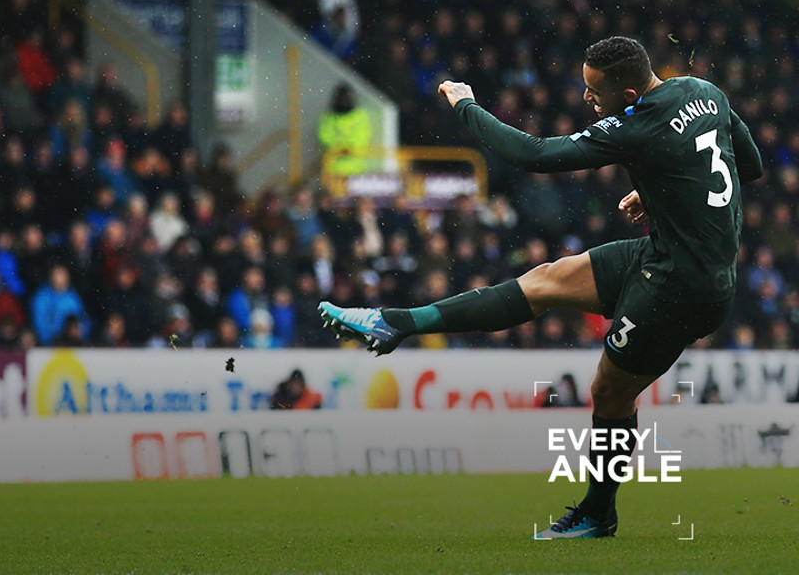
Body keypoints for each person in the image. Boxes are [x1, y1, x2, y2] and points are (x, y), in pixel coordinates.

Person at [320, 37, 763, 539]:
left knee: (609, 393)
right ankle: (395, 323)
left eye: (596, 91)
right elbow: (748, 167)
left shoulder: (639, 126)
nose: (587, 98)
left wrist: (466, 105)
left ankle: (599, 514)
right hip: (668, 256)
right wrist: (664, 182)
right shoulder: (704, 91)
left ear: (631, 90)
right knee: (546, 279)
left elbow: (532, 155)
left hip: (684, 286)